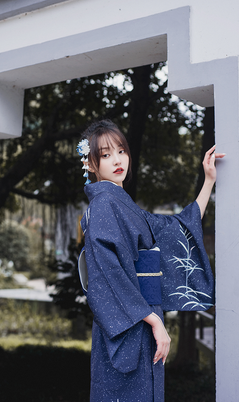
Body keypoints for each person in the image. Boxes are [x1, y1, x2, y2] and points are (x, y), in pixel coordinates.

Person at [77, 119, 225, 402]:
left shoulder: (126, 206)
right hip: (130, 322)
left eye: (121, 151)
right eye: (106, 155)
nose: (117, 160)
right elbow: (107, 274)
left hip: (141, 318)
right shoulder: (104, 205)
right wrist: (154, 320)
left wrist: (208, 181)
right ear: (91, 165)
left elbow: (178, 230)